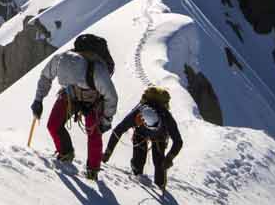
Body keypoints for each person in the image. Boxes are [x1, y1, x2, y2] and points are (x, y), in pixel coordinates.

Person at [30, 46, 118, 181]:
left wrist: (106, 121)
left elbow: (111, 97)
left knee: (94, 132)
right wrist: (38, 99)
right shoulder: (60, 60)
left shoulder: (98, 73)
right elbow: (46, 76)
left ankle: (93, 169)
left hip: (93, 100)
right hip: (70, 95)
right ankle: (65, 153)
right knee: (53, 124)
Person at [103, 86, 182, 190]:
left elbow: (178, 141)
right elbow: (119, 130)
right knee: (138, 164)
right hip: (143, 134)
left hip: (158, 137)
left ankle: (160, 185)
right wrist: (107, 154)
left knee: (159, 164)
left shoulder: (166, 116)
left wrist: (169, 158)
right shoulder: (138, 115)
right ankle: (139, 177)